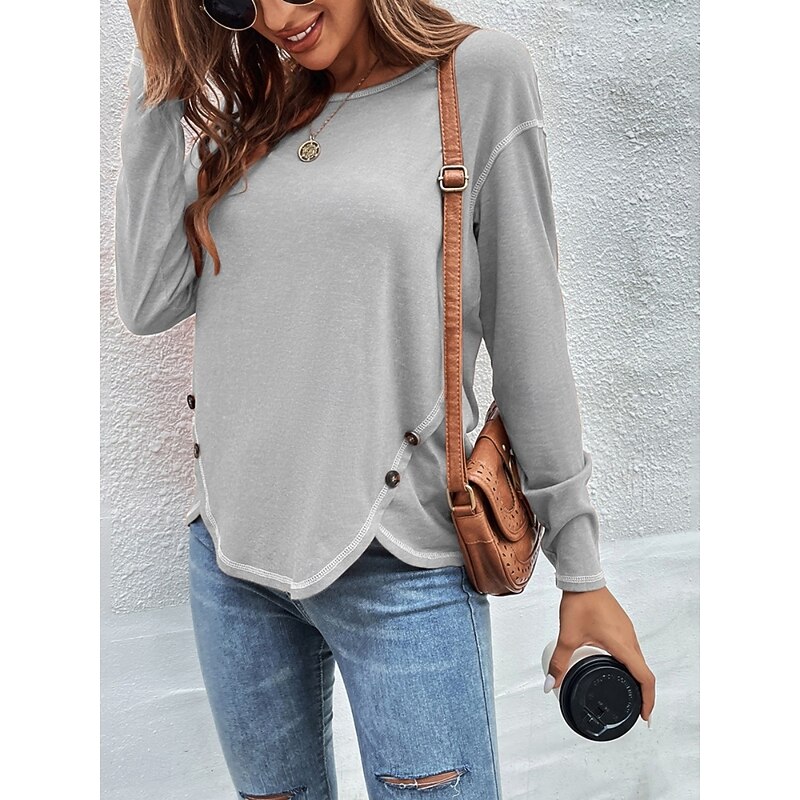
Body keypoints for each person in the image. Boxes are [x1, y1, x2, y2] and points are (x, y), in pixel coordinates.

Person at [115, 1, 656, 798]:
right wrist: (162, 69)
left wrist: (581, 572)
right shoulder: (254, 103)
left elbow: (529, 336)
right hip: (232, 561)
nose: (279, 16)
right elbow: (148, 299)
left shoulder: (477, 77)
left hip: (399, 565)